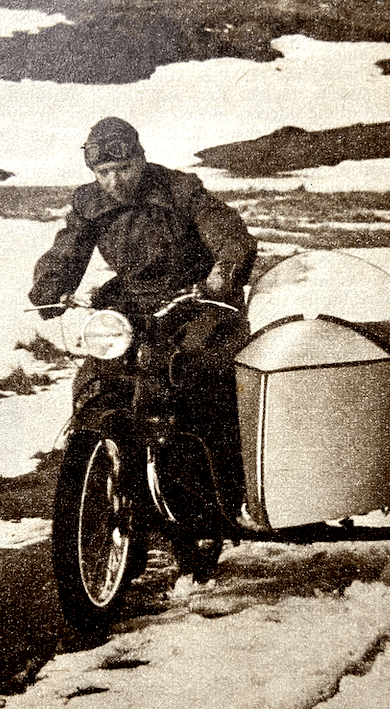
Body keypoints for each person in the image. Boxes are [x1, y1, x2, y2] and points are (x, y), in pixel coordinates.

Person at [29, 116, 257, 519]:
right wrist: (51, 289)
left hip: (198, 301)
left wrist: (223, 272)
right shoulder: (89, 203)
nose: (114, 181)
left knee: (199, 374)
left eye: (123, 168)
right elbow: (67, 250)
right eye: (104, 172)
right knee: (95, 377)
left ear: (141, 159)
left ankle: (227, 491)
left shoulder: (180, 189)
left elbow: (228, 234)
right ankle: (100, 476)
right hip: (133, 305)